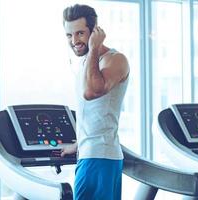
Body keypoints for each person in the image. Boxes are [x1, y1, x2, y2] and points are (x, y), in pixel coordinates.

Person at [61, 4, 130, 200]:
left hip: (100, 158)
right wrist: (77, 144)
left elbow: (92, 91)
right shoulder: (87, 62)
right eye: (69, 35)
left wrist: (93, 48)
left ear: (95, 31)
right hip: (91, 154)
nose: (74, 41)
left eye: (80, 33)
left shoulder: (115, 60)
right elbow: (93, 113)